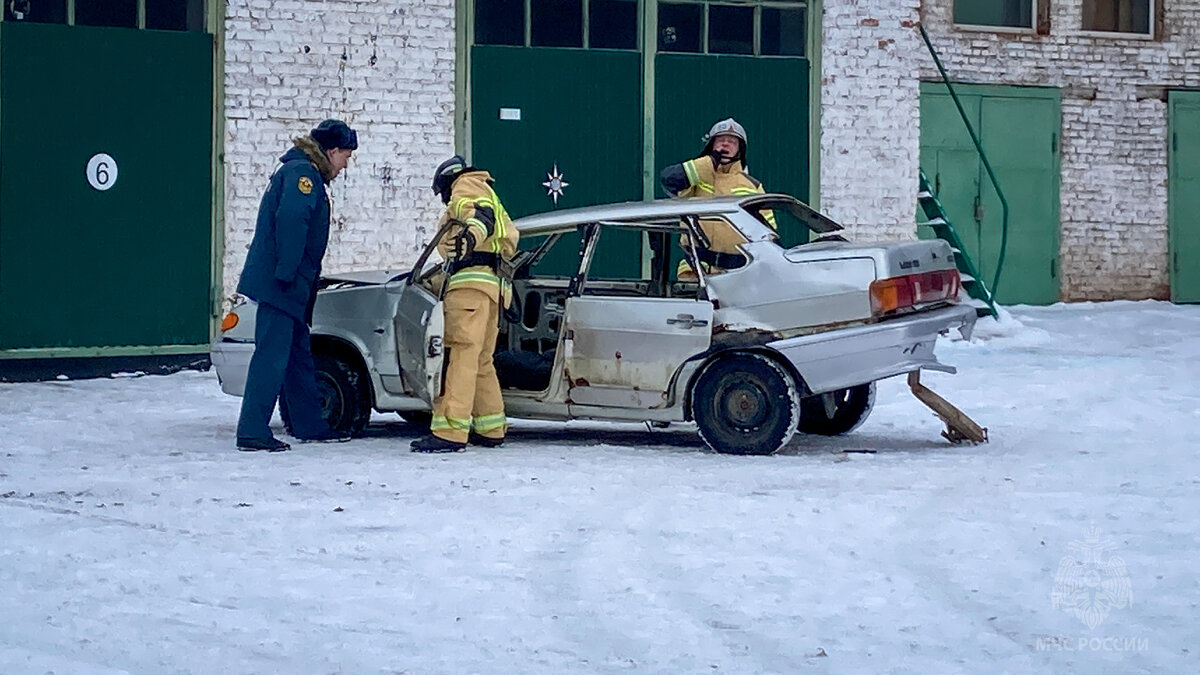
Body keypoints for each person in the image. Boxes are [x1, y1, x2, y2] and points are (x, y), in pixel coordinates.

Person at [234, 119, 359, 452]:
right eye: (345, 155)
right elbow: (291, 221)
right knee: (272, 357)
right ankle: (251, 431)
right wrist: (288, 275)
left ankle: (310, 425)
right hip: (283, 284)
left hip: (293, 284)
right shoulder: (302, 176)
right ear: (331, 151)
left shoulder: (304, 172)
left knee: (297, 356)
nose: (346, 164)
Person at [410, 156, 520, 453]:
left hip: (469, 289)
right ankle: (491, 427)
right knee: (481, 360)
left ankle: (450, 432)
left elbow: (478, 217)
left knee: (460, 357)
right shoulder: (487, 191)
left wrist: (468, 239)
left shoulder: (467, 185)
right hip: (492, 289)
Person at [659, 118, 775, 280]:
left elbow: (768, 233)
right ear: (711, 145)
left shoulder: (753, 186)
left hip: (739, 273)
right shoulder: (696, 176)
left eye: (732, 142)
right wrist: (709, 162)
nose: (725, 144)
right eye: (720, 140)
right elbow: (669, 179)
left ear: (740, 149)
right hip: (696, 271)